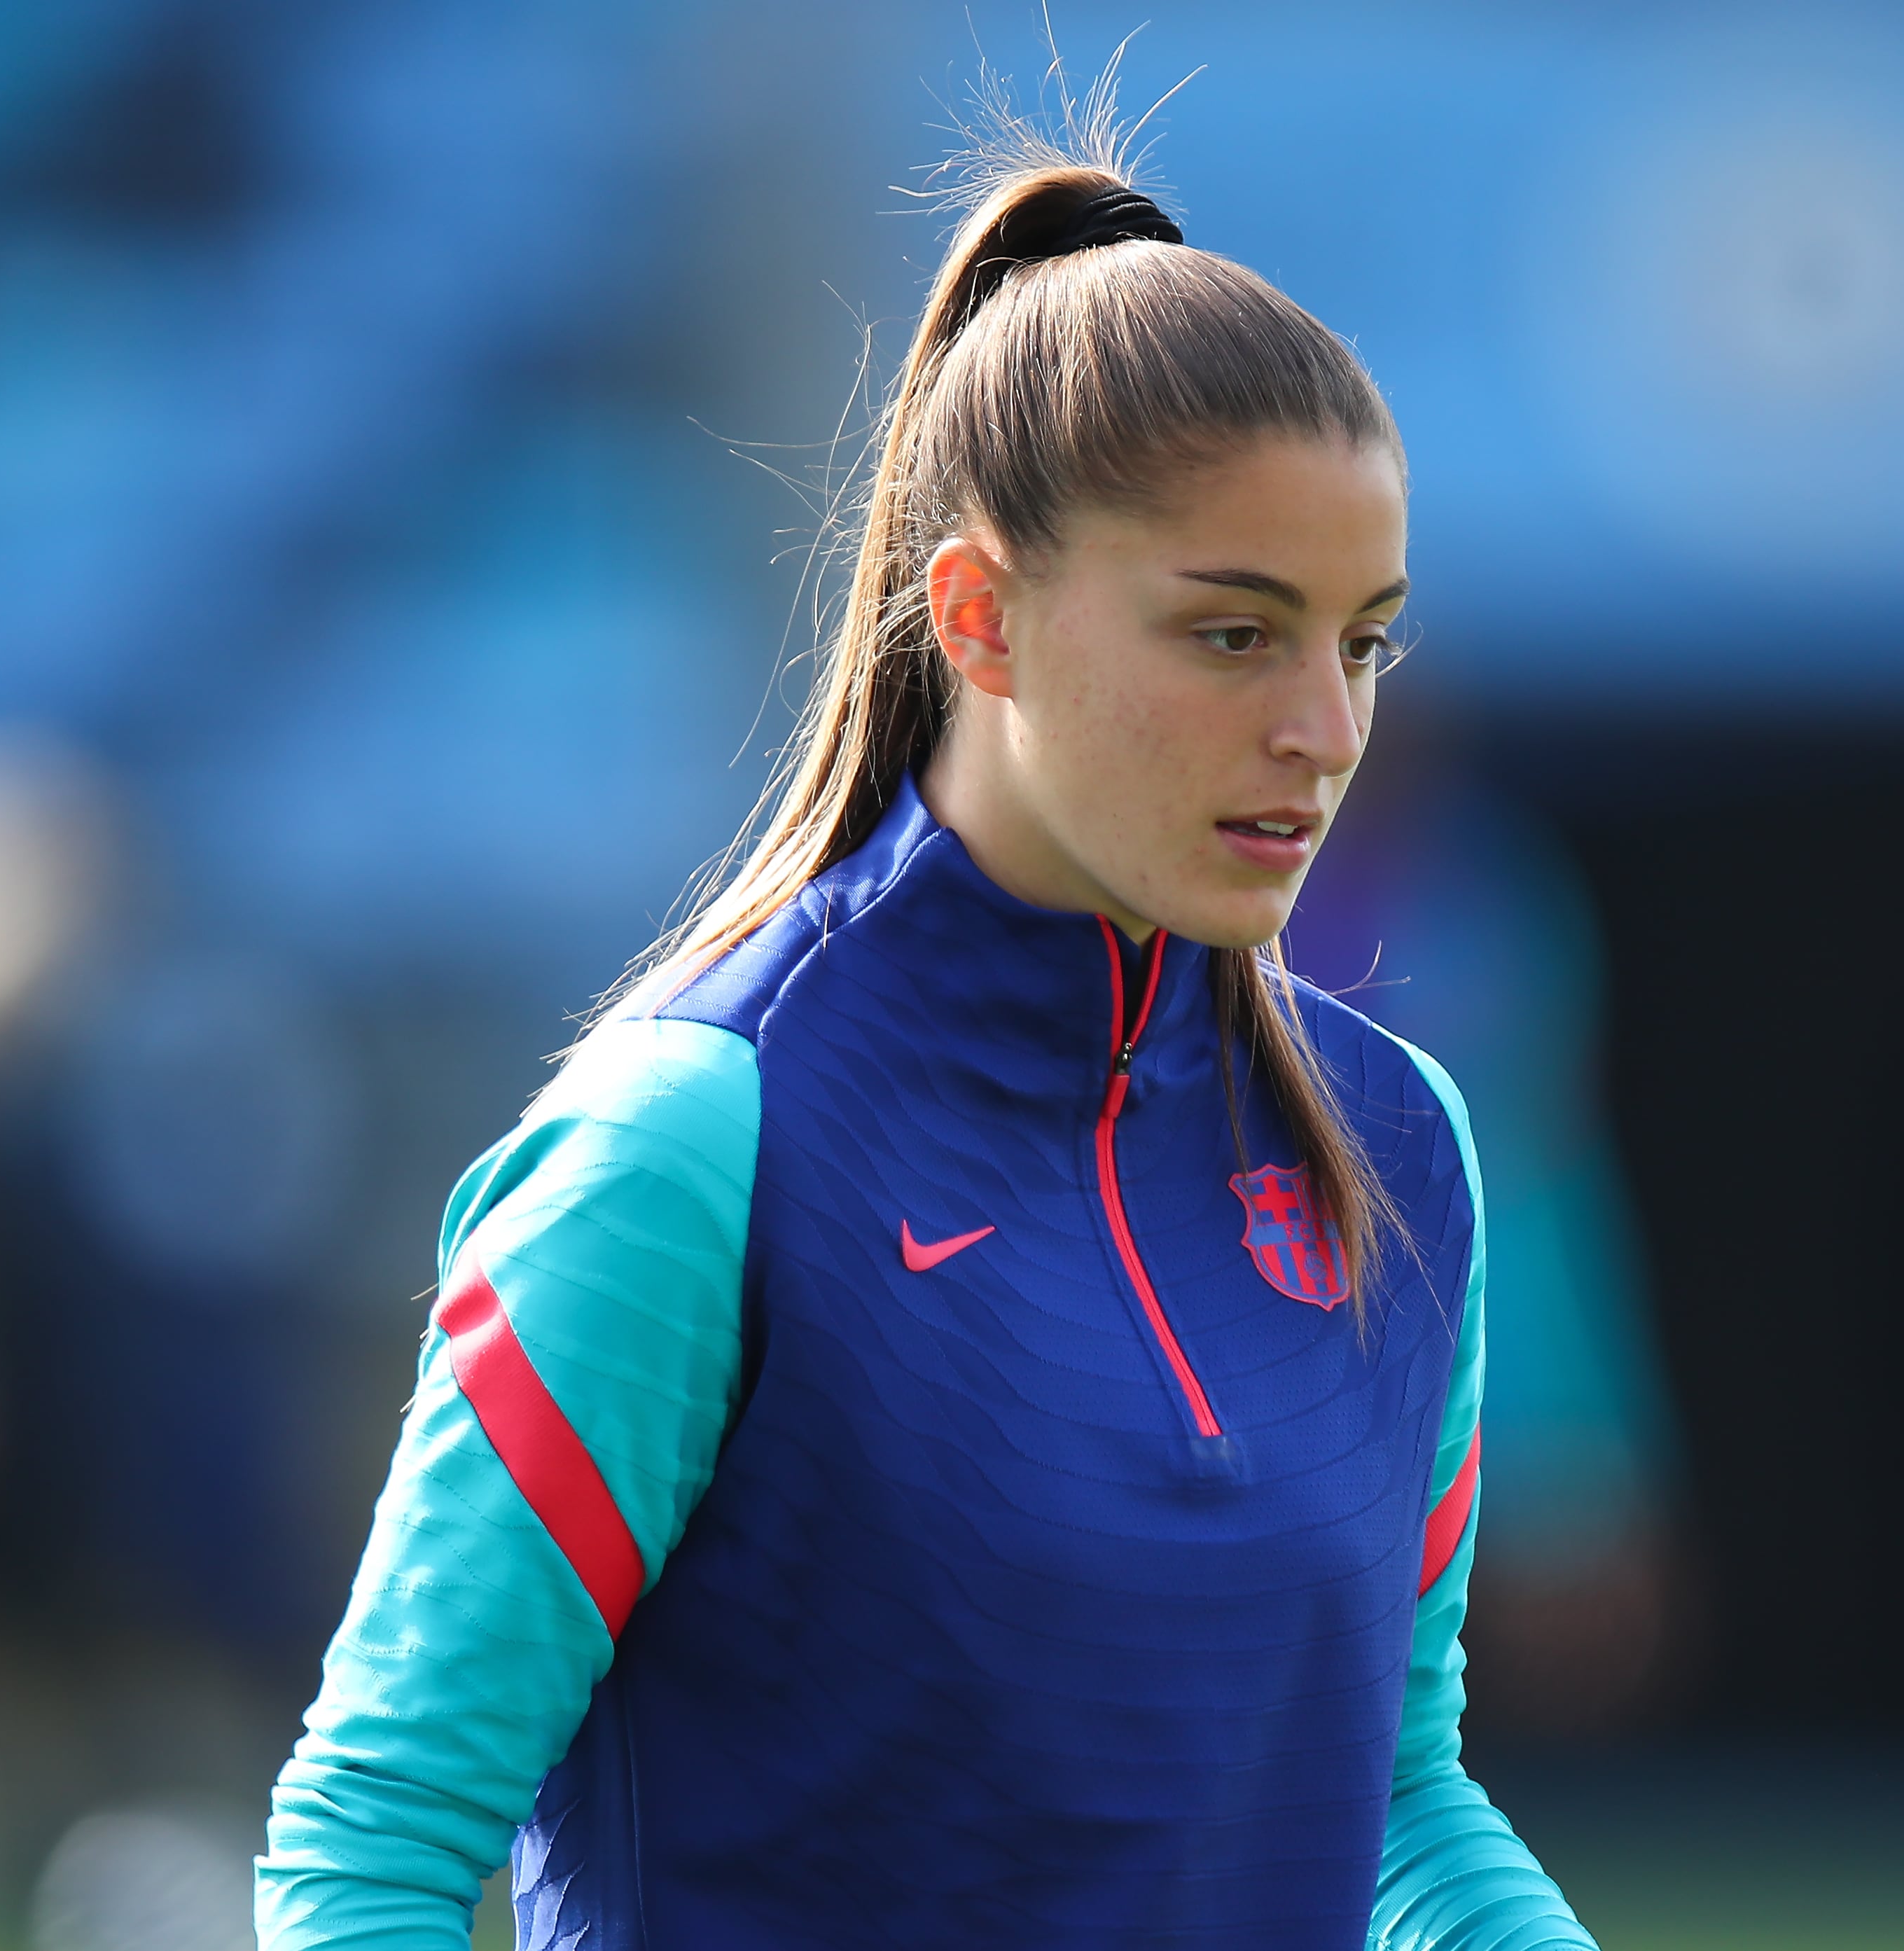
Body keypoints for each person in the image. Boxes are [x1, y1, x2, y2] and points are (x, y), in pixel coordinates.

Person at [254, 118, 1599, 1951]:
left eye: (1362, 643)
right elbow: (375, 1841)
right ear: (979, 614)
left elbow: (1391, 1799)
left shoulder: (1398, 1143)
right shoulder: (693, 1146)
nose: (1322, 727)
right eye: (1233, 635)